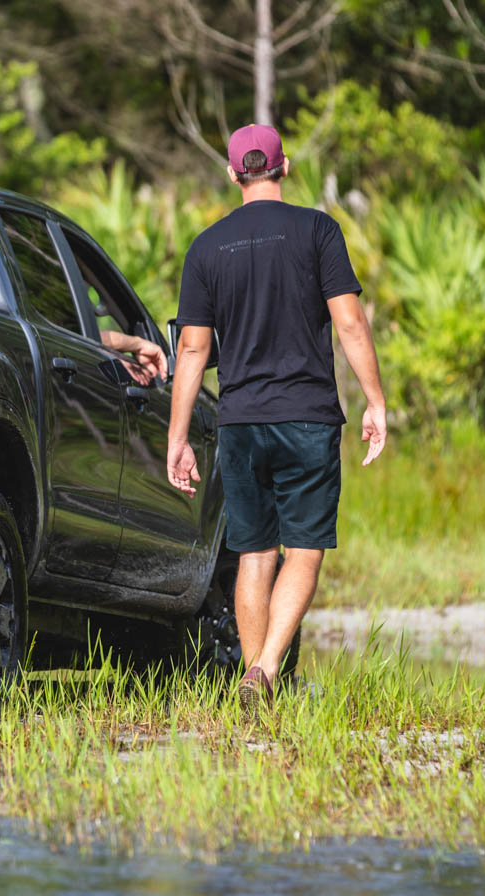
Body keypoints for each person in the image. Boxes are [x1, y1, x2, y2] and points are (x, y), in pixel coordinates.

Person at [166, 123, 387, 710]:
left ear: (234, 174)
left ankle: (252, 678)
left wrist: (178, 436)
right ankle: (265, 668)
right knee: (305, 549)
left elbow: (191, 348)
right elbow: (349, 324)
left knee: (254, 553)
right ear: (284, 167)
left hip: (238, 421)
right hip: (308, 418)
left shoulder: (206, 247)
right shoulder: (318, 231)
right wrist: (376, 401)